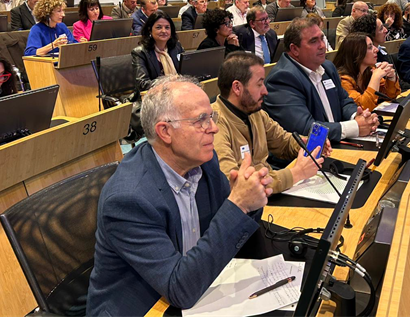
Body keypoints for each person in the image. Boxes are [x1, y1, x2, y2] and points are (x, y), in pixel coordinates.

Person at [86, 76, 272, 317]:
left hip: (195, 285)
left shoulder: (203, 161)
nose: (213, 128)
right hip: (146, 307)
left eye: (211, 117)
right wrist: (238, 204)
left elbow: (228, 225)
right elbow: (180, 290)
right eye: (201, 120)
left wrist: (251, 196)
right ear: (165, 131)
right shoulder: (128, 200)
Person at [213, 52, 324, 194]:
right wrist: (296, 173)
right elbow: (236, 184)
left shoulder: (255, 112)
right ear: (237, 88)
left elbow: (283, 142)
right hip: (250, 201)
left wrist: (310, 145)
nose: (265, 91)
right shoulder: (214, 125)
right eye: (259, 84)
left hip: (268, 193)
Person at [263, 17, 379, 142]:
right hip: (307, 151)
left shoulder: (327, 67)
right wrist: (355, 127)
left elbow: (344, 101)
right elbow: (305, 128)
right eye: (314, 41)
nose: (322, 46)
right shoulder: (282, 79)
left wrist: (357, 116)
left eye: (322, 39)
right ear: (295, 49)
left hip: (337, 143)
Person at [333, 33, 401, 111]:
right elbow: (362, 107)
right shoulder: (343, 80)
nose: (376, 49)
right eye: (370, 47)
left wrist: (391, 78)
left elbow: (390, 96)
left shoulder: (368, 70)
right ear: (357, 53)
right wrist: (376, 78)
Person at [132, 10, 184, 92]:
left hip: (177, 91)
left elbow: (186, 71)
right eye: (159, 27)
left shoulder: (176, 47)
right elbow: (142, 84)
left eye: (167, 27)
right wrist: (168, 81)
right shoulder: (140, 53)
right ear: (150, 30)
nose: (164, 31)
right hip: (153, 95)